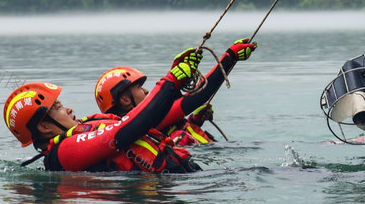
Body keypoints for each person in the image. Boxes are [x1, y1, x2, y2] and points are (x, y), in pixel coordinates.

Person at [3, 47, 206, 172]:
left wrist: (175, 83)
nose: (69, 109)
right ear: (45, 126)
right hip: (170, 187)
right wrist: (170, 81)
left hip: (180, 176)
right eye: (59, 108)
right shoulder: (64, 152)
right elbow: (124, 131)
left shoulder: (82, 130)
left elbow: (148, 119)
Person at [93, 38, 257, 146]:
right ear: (125, 99)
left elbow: (173, 107)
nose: (146, 90)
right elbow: (199, 96)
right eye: (139, 88)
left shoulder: (138, 125)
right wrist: (230, 57)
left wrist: (194, 120)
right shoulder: (145, 120)